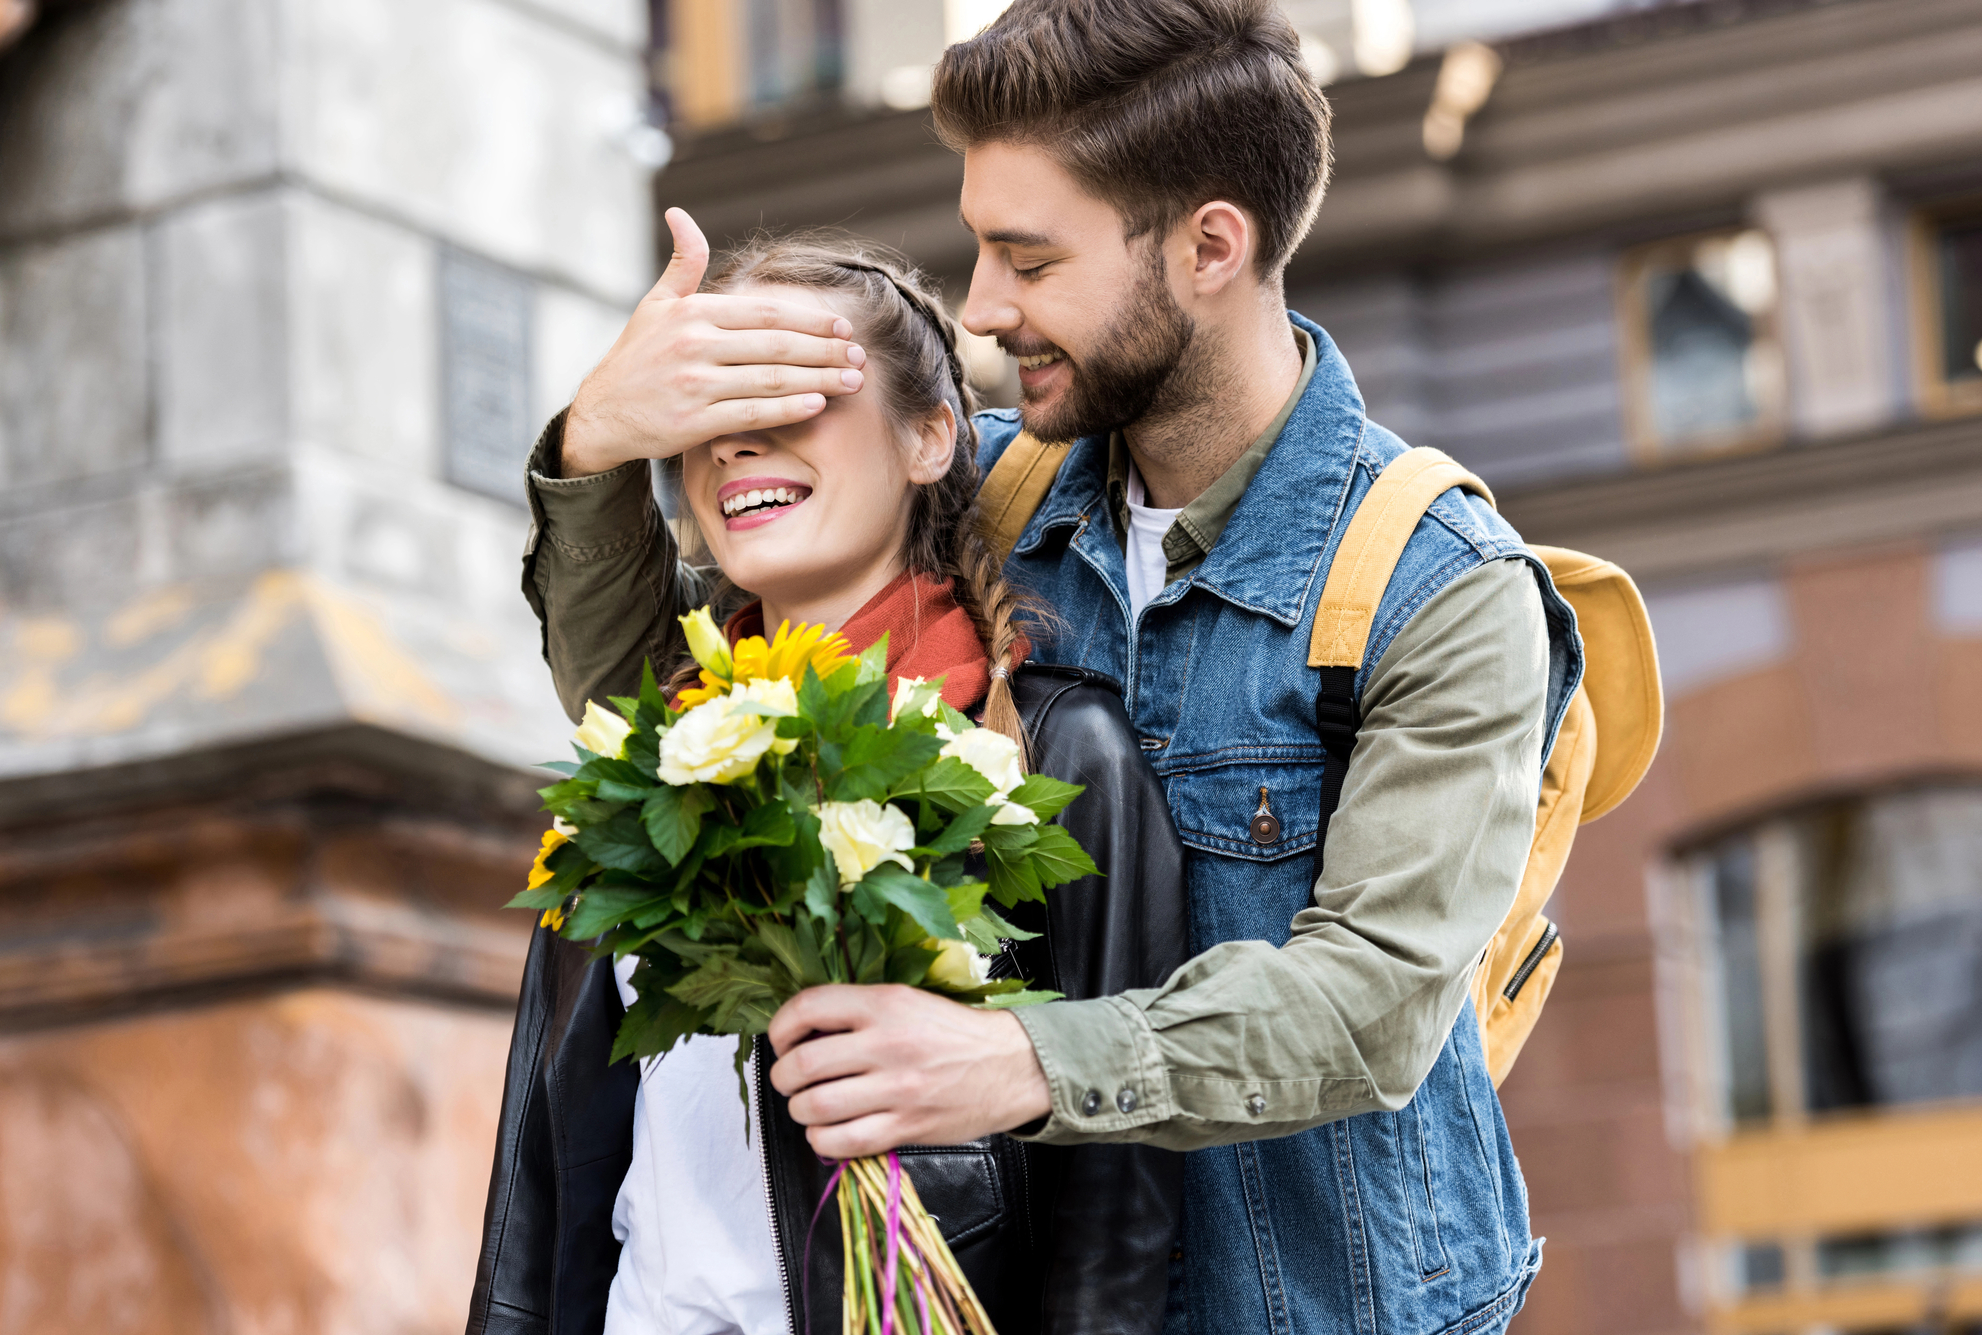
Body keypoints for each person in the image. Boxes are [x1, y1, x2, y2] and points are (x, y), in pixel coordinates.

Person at [517, 3, 1589, 1332]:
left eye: (1028, 259)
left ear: (1210, 246)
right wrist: (594, 453)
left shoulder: (1441, 588)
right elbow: (671, 720)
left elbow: (1368, 1002)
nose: (981, 306)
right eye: (979, 248)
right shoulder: (996, 492)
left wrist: (1016, 1058)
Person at [467, 233, 1188, 1335]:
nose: (738, 441)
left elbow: (1116, 1220)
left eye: (795, 391)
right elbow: (547, 1187)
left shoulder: (1054, 750)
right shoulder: (650, 764)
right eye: (708, 410)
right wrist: (595, 435)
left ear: (928, 438)